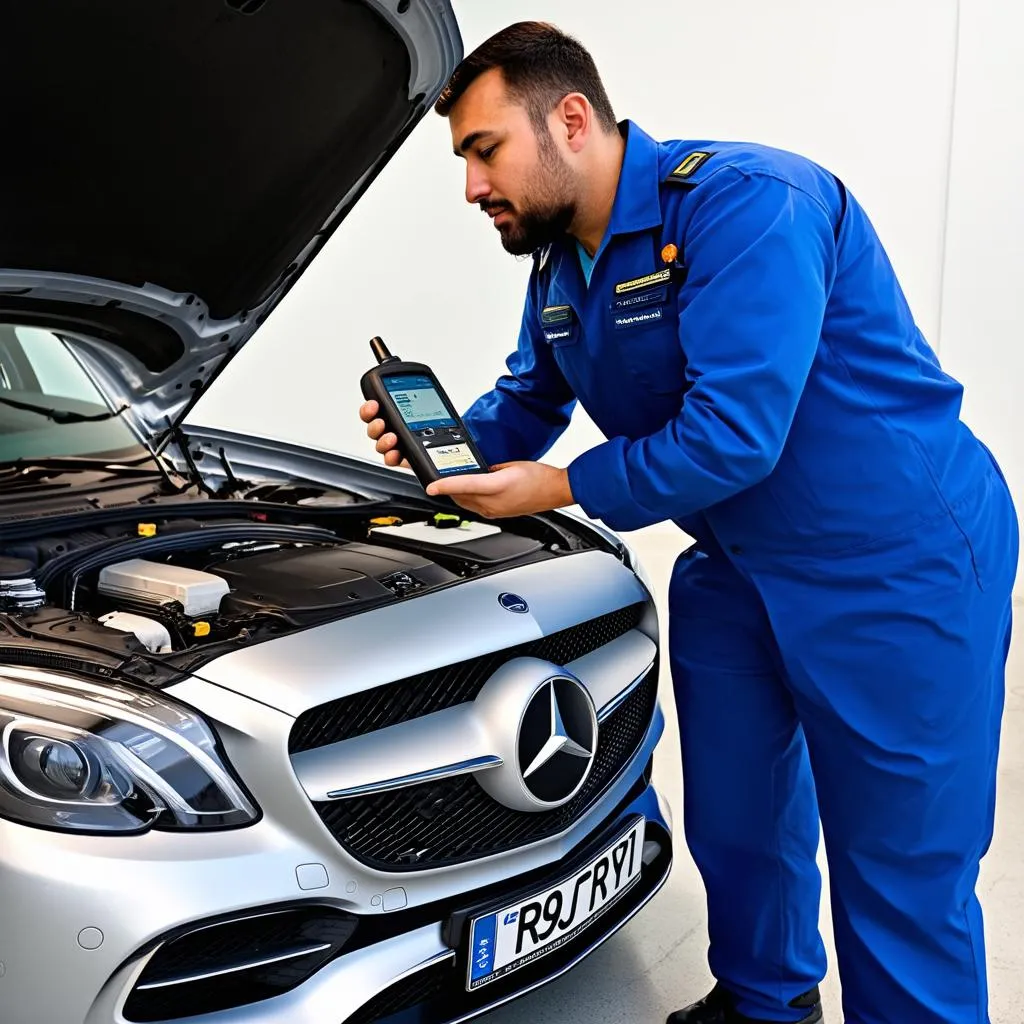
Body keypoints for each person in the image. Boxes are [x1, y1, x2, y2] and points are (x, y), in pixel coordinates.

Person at [359, 20, 1018, 1024]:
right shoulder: (562, 270)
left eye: (483, 150)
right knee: (740, 820)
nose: (471, 187)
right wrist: (438, 443)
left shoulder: (748, 205)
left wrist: (554, 486)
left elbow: (734, 434)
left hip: (896, 563)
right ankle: (766, 1005)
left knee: (899, 861)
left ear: (569, 119)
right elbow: (525, 405)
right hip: (733, 565)